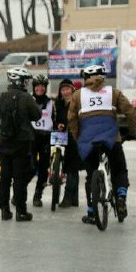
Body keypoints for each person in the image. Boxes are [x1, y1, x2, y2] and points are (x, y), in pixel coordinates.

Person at [68, 64, 136, 224]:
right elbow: (130, 112)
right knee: (119, 169)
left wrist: (78, 137)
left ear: (85, 78)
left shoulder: (78, 95)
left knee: (90, 175)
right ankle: (120, 197)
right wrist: (132, 132)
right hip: (111, 138)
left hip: (88, 140)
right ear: (103, 77)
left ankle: (92, 211)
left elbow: (71, 119)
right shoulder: (114, 92)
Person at [0, 67, 41, 221]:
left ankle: (4, 210)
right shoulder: (26, 97)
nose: (27, 84)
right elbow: (36, 115)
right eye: (26, 81)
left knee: (5, 177)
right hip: (21, 143)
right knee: (20, 178)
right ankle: (21, 211)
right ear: (19, 81)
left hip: (4, 142)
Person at [54, 78, 81, 207]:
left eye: (67, 89)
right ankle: (74, 198)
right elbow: (57, 119)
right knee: (71, 168)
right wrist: (58, 124)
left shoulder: (77, 102)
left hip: (75, 137)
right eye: (63, 90)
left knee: (71, 167)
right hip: (62, 136)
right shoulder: (58, 103)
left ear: (72, 89)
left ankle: (68, 197)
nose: (65, 92)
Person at [30, 75, 55, 207]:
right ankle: (18, 193)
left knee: (44, 167)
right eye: (37, 86)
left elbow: (54, 119)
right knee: (30, 166)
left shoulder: (51, 103)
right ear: (34, 88)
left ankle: (38, 194)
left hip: (46, 137)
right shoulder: (29, 100)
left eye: (42, 86)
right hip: (32, 137)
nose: (40, 89)